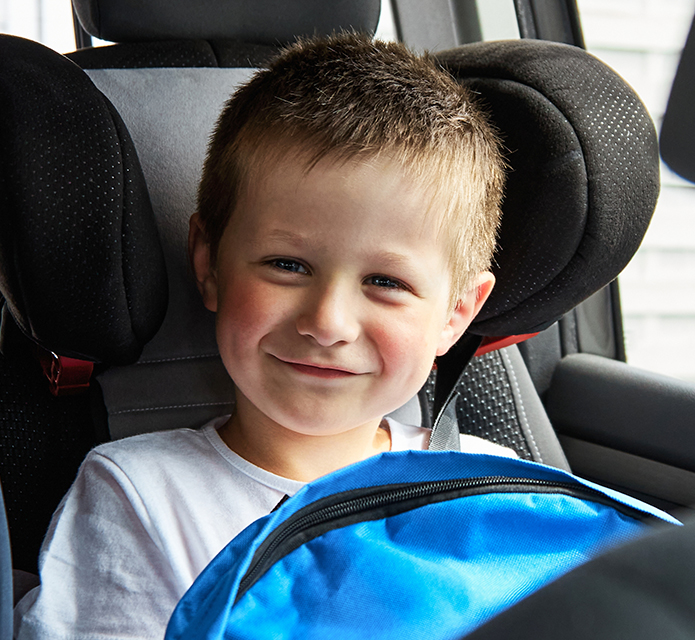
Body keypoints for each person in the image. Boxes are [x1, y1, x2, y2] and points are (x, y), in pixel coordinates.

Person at [15, 33, 511, 639]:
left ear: (456, 314)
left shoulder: (491, 486)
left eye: (385, 281)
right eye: (287, 265)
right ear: (209, 264)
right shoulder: (141, 497)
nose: (328, 323)